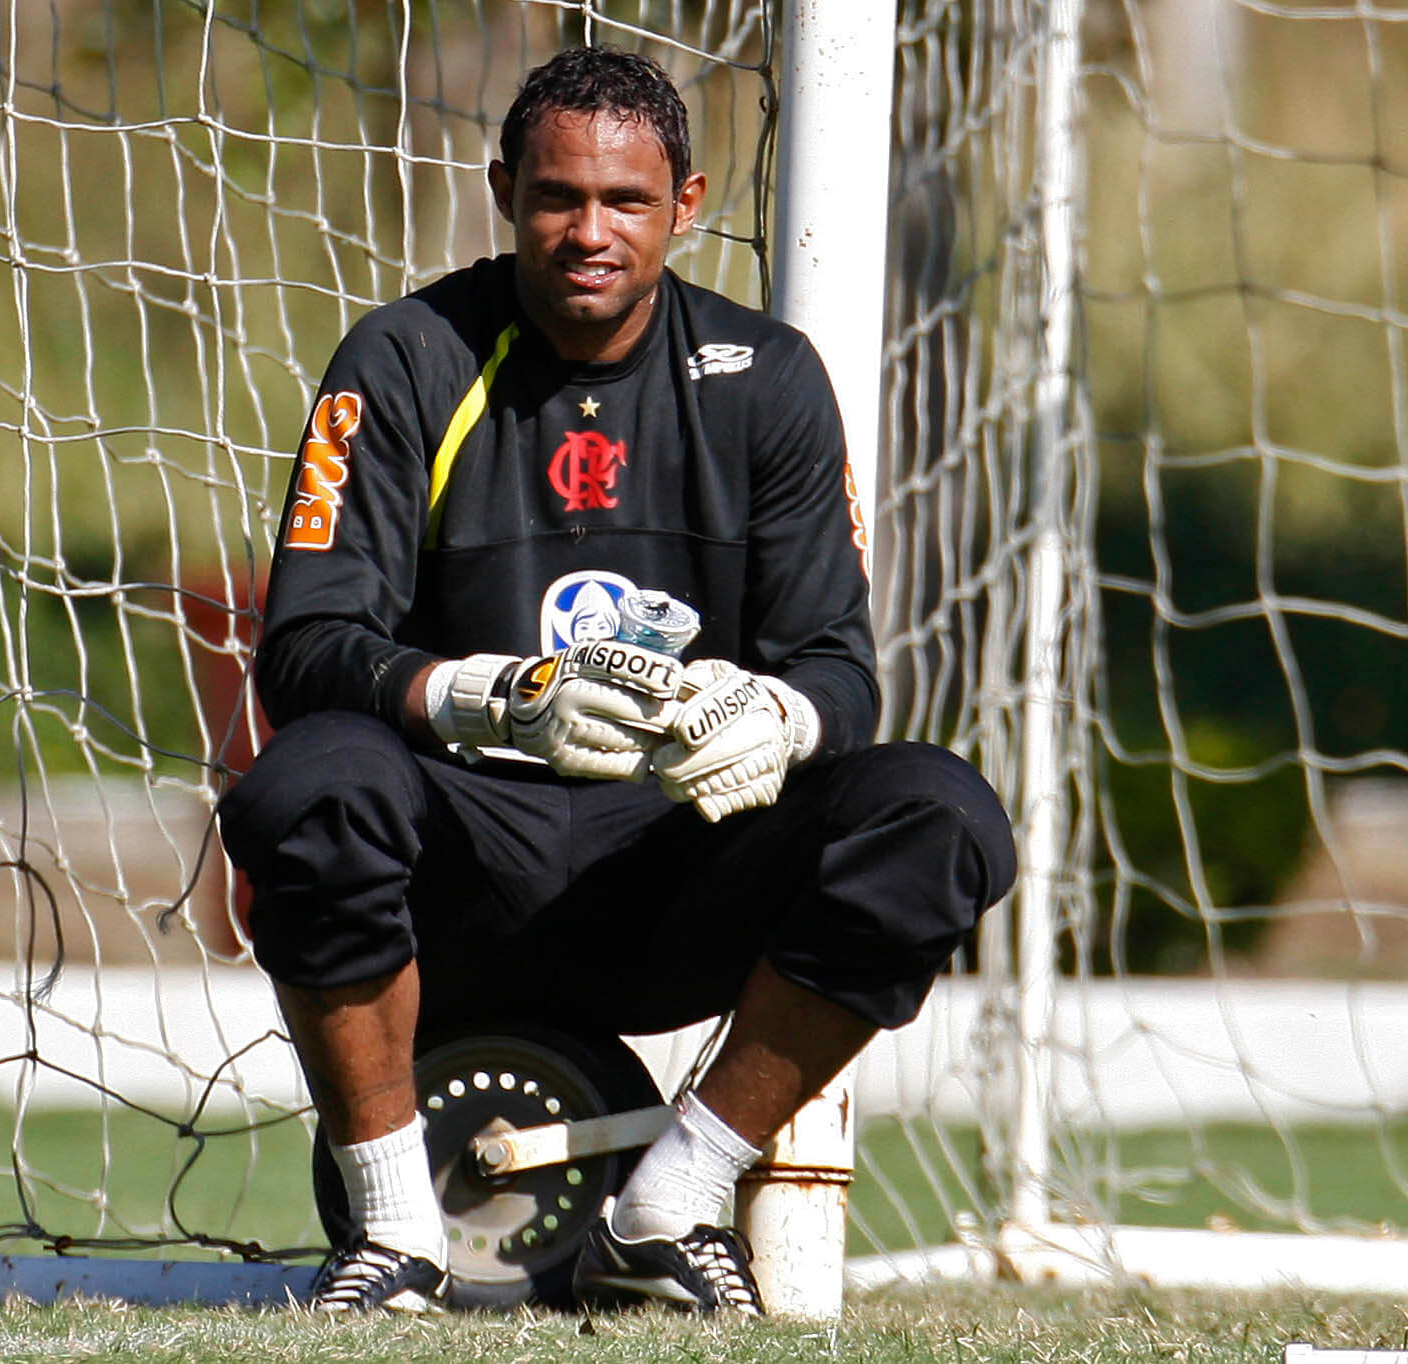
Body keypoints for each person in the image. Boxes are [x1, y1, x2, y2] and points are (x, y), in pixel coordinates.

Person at [216, 44, 1016, 1316]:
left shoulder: (771, 381)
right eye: (557, 198)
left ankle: (669, 1204)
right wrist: (492, 695)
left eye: (626, 202)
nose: (590, 232)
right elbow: (305, 649)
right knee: (307, 783)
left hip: (675, 868)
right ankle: (392, 1234)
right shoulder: (405, 357)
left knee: (942, 816)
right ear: (504, 192)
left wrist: (772, 714)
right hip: (457, 871)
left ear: (686, 205)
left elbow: (839, 672)